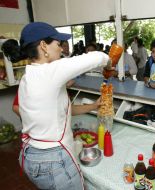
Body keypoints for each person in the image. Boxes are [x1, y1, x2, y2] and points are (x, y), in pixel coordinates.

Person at [1, 22, 110, 190]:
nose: (61, 49)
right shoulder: (49, 72)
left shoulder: (27, 77)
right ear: (43, 46)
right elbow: (97, 57)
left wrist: (94, 106)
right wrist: (109, 62)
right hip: (53, 161)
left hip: (30, 154)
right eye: (58, 44)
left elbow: (61, 111)